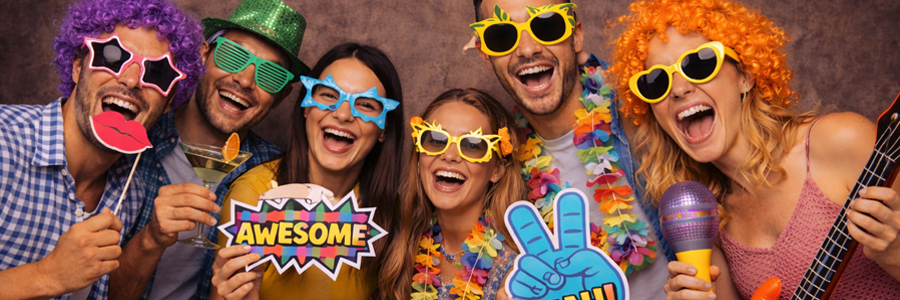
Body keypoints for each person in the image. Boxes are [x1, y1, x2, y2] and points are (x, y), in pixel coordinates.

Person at [607, 0, 900, 299]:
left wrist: (896, 254)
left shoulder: (839, 141)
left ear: (745, 76)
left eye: (699, 64)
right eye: (656, 82)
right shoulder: (709, 217)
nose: (679, 89)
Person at [466, 0, 673, 298]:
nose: (527, 49)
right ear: (485, 54)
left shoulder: (646, 109)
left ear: (575, 36)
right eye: (502, 36)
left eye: (546, 26)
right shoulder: (501, 168)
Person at [0, 0, 204, 299]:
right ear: (77, 66)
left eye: (158, 74)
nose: (132, 80)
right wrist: (47, 276)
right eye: (113, 56)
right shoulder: (5, 141)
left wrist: (151, 240)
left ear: (170, 102)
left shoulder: (133, 190)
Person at [111, 0, 310, 299]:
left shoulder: (276, 178)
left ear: (281, 97)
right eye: (232, 56)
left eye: (270, 76)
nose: (244, 80)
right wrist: (150, 239)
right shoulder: (129, 143)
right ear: (204, 54)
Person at [210, 42, 405, 300]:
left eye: (366, 105)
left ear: (383, 129)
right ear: (306, 106)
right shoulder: (255, 196)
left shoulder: (390, 214)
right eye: (328, 95)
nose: (343, 114)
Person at [389, 88, 525, 300]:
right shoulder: (397, 247)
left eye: (472, 145)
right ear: (419, 157)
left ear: (497, 170)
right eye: (435, 139)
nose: (449, 155)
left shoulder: (515, 272)